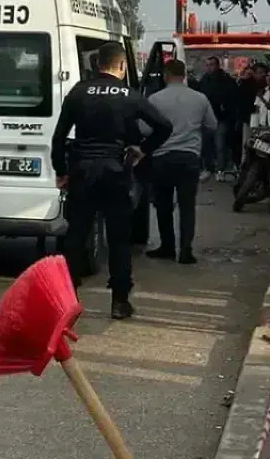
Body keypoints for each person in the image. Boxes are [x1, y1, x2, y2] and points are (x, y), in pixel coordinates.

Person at [52, 41, 172, 320]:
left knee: (76, 236)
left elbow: (59, 137)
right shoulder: (130, 95)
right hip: (116, 171)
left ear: (97, 64)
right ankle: (119, 301)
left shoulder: (78, 92)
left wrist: (61, 171)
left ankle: (67, 302)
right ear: (121, 65)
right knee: (119, 238)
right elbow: (164, 126)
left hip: (82, 170)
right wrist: (143, 149)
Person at [143, 59, 216, 265]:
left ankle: (167, 247)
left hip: (162, 158)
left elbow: (144, 129)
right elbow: (212, 125)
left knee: (163, 205)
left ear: (166, 75)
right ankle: (185, 251)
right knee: (187, 205)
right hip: (189, 158)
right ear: (184, 75)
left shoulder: (155, 99)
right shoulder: (200, 98)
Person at [197, 56, 239, 181]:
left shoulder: (226, 80)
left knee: (219, 144)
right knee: (206, 145)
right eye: (207, 65)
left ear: (217, 66)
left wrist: (225, 109)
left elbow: (232, 98)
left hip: (221, 117)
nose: (209, 67)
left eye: (211, 65)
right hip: (206, 118)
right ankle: (209, 168)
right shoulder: (204, 80)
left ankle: (220, 169)